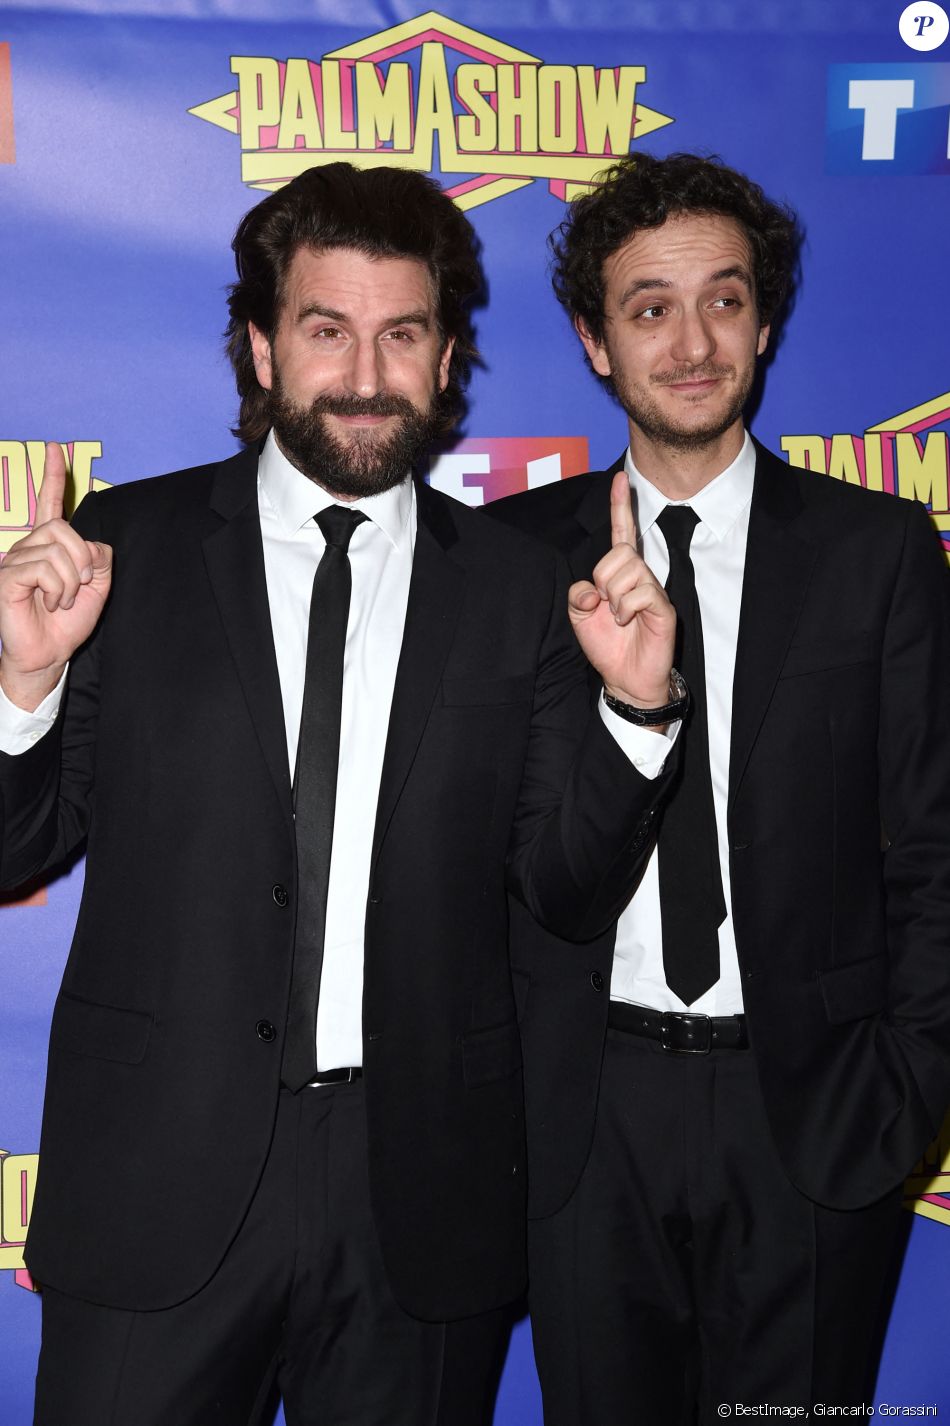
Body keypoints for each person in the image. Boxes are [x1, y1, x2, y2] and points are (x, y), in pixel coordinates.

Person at [0, 162, 680, 1425]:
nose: (365, 374)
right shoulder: (121, 553)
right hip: (158, 1179)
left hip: (415, 1196)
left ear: (444, 359)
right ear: (260, 350)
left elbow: (565, 892)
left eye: (401, 333)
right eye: (325, 330)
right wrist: (23, 683)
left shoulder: (517, 587)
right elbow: (13, 844)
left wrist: (636, 714)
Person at [487, 151, 950, 1422]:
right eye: (647, 307)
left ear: (762, 318)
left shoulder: (879, 555)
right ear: (593, 341)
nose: (691, 343)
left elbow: (933, 844)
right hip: (586, 1118)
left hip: (814, 1113)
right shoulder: (516, 560)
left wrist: (905, 1089)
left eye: (724, 300)